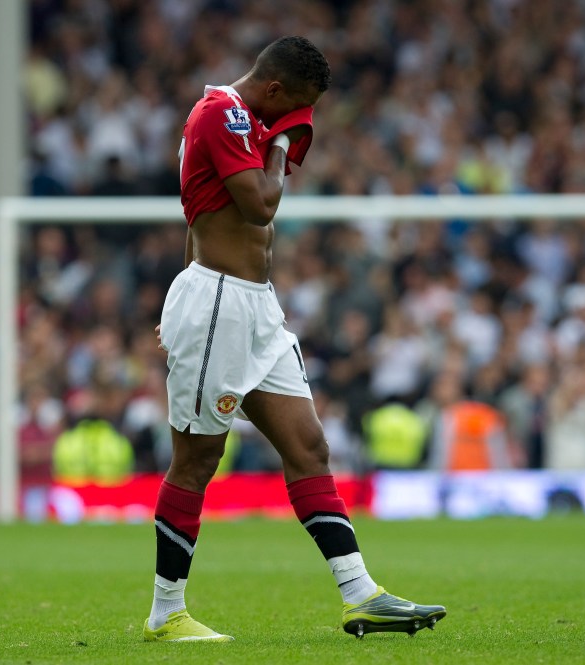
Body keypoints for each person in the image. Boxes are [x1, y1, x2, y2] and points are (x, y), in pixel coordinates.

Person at [146, 36, 445, 643]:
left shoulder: (240, 119)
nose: (299, 121)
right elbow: (258, 207)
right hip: (219, 304)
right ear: (277, 90)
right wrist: (281, 146)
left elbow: (201, 218)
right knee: (198, 460)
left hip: (254, 305)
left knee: (308, 446)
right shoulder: (223, 113)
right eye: (298, 106)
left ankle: (361, 595)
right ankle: (166, 611)